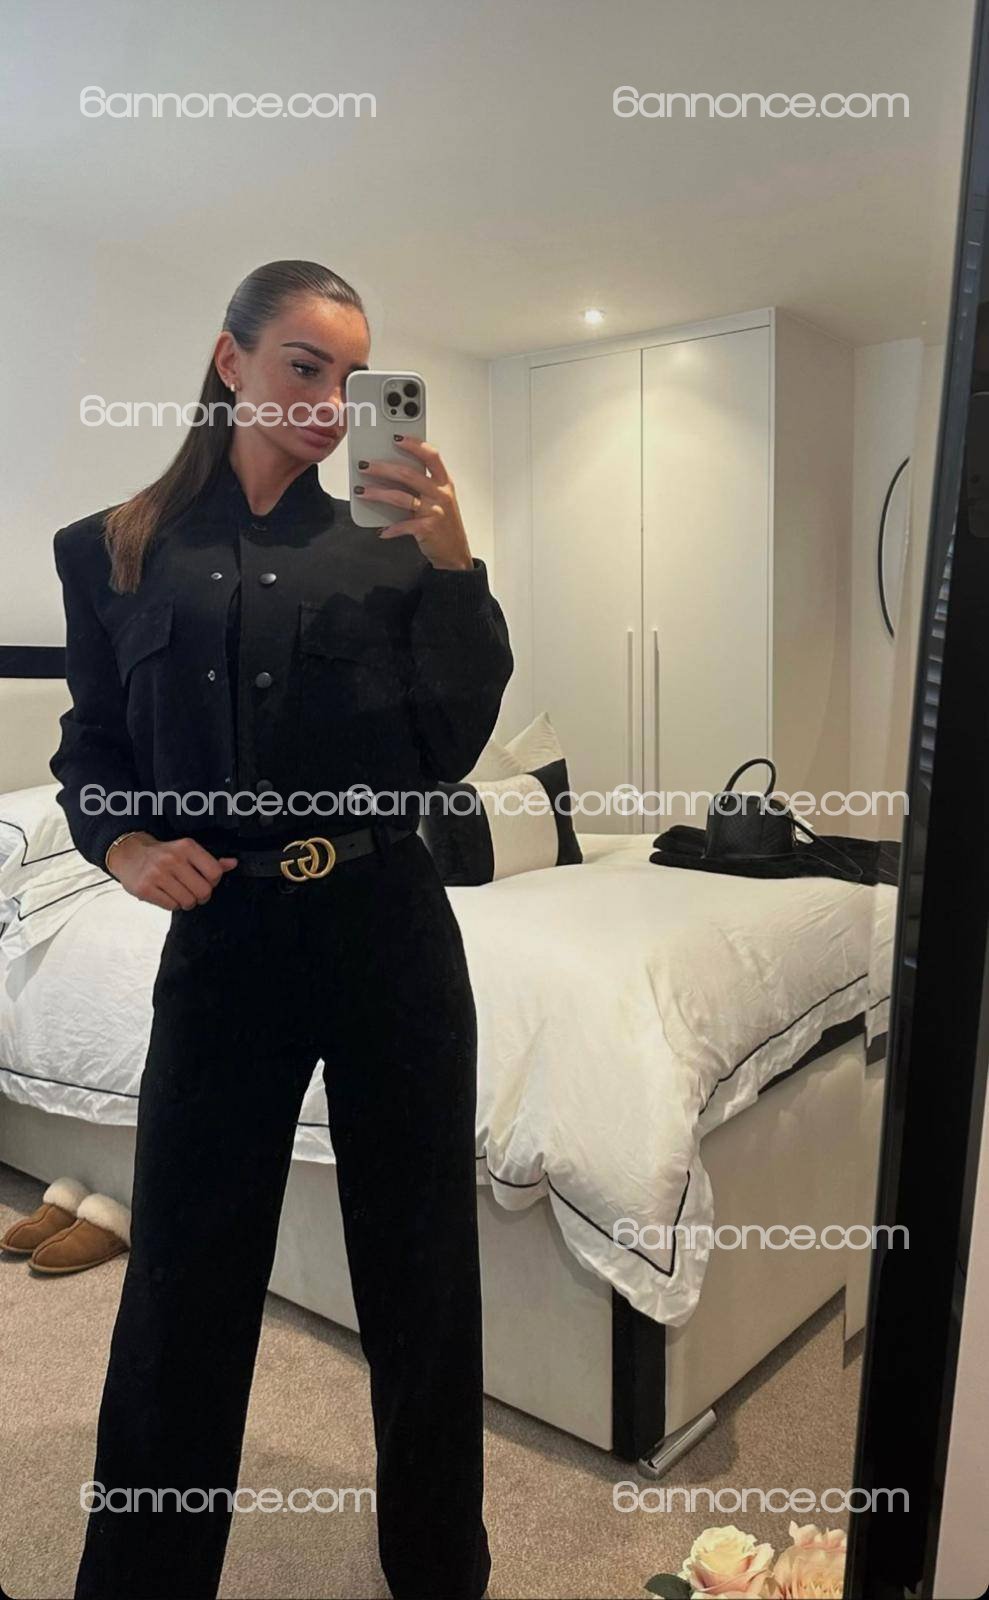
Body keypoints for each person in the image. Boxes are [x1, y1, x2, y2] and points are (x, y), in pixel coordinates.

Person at [51, 258, 513, 1600]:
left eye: (351, 381)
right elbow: (92, 747)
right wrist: (124, 845)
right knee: (182, 1275)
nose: (327, 404)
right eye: (303, 368)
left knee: (421, 1274)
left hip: (386, 929)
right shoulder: (109, 550)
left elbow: (448, 746)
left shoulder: (391, 543)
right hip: (228, 946)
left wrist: (454, 567)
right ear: (231, 362)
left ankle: (440, 1572)